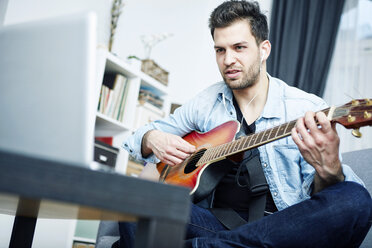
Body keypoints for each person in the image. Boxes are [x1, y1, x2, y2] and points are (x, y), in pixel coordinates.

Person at [119, 1, 372, 247]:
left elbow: (334, 197)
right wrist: (152, 138)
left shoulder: (304, 108)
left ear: (264, 50)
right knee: (132, 198)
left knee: (355, 199)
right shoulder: (206, 102)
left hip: (279, 228)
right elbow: (134, 139)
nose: (228, 59)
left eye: (239, 47)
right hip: (213, 223)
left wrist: (329, 171)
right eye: (220, 50)